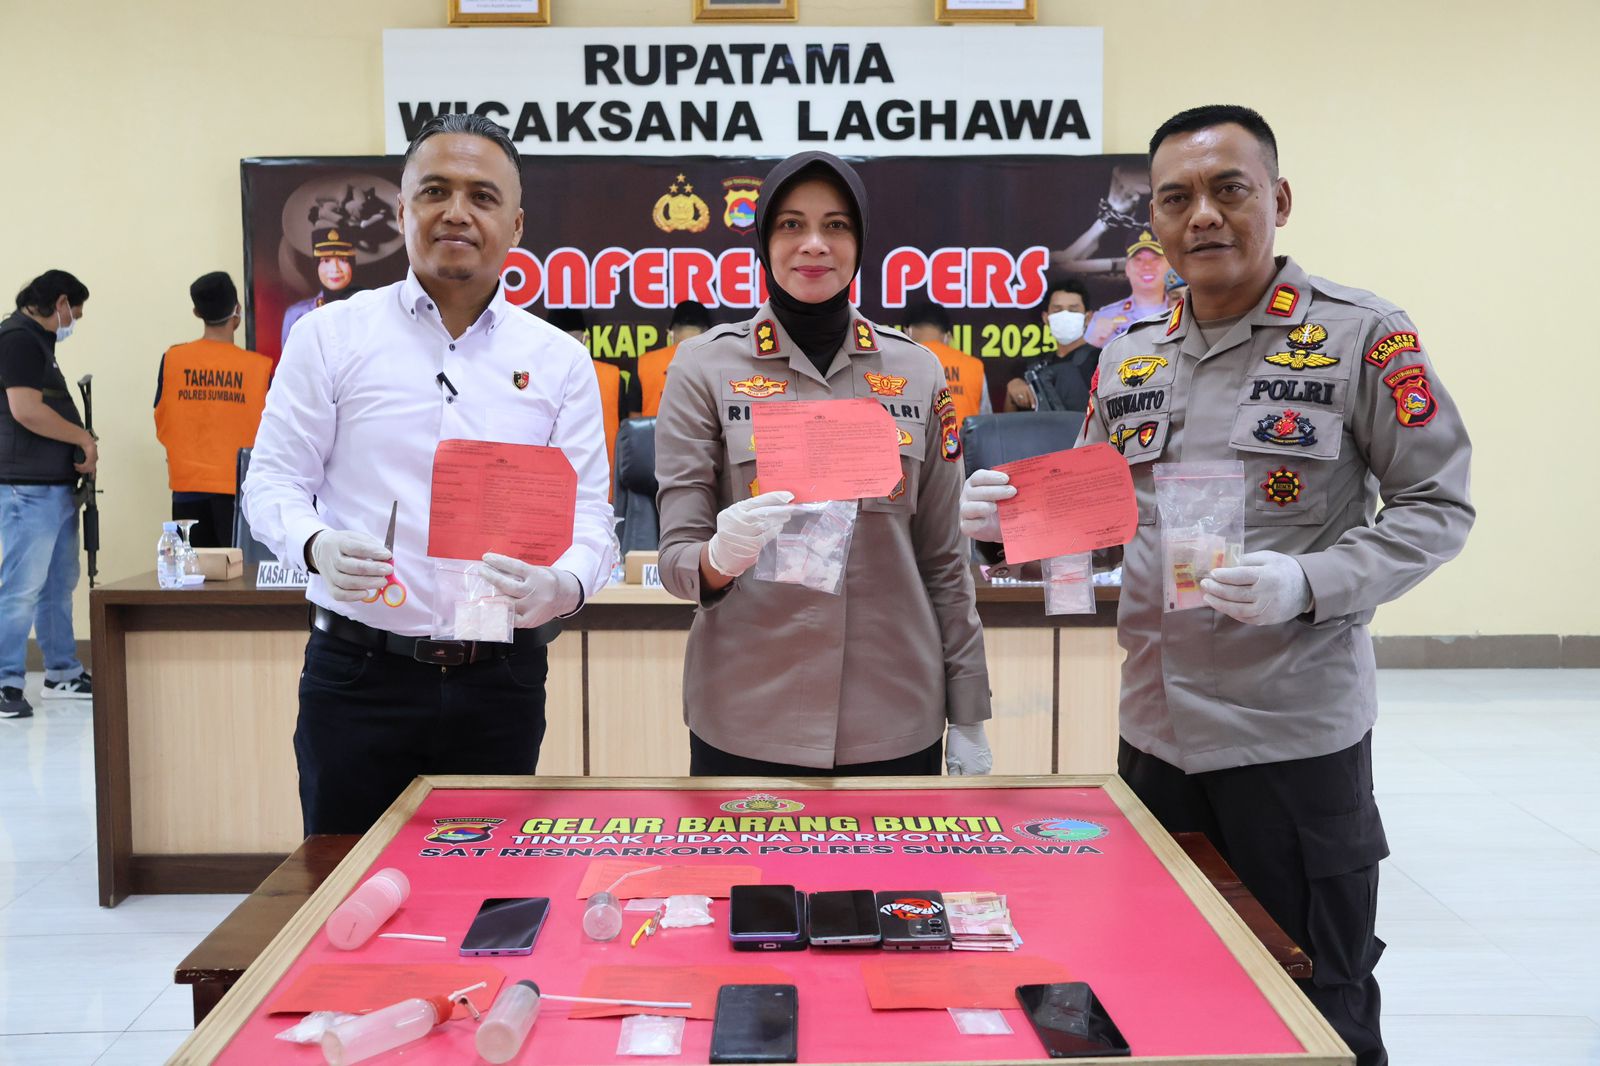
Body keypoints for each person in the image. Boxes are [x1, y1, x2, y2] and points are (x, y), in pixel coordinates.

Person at [961, 105, 1474, 1066]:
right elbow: (1091, 513)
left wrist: (1311, 580)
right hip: (1155, 735)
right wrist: (999, 527)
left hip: (1290, 739)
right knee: (1156, 996)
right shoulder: (1131, 351)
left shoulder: (1362, 337)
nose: (1203, 215)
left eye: (1228, 189)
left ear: (1278, 200)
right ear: (1153, 223)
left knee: (1316, 1006)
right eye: (1176, 198)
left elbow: (1436, 507)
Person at [243, 113, 615, 835]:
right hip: (358, 672)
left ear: (516, 224)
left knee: (488, 890)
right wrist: (315, 544)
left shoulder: (559, 361)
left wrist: (563, 586)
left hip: (501, 678)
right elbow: (273, 483)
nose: (457, 212)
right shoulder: (330, 337)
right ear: (402, 210)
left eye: (483, 196)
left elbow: (591, 519)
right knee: (343, 879)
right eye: (436, 191)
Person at [655, 150, 992, 777]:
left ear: (860, 243)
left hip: (894, 710)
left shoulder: (917, 371)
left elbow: (945, 561)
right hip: (747, 711)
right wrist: (718, 557)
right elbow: (676, 558)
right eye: (792, 224)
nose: (814, 243)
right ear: (764, 241)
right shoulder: (702, 368)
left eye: (836, 225)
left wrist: (969, 709)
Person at [0, 271, 96, 718]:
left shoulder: (37, 342)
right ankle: (6, 682)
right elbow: (25, 410)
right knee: (21, 589)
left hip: (53, 488)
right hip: (27, 490)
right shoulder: (19, 339)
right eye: (74, 312)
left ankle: (61, 672)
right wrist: (83, 438)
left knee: (58, 585)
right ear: (59, 303)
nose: (73, 321)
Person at [153, 272, 272, 547]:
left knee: (192, 570)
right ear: (237, 310)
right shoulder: (259, 368)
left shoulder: (173, 359)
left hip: (186, 491)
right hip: (240, 491)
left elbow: (161, 416)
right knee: (240, 571)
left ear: (197, 312)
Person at [549, 306, 631, 490]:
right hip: (604, 486)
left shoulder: (533, 377)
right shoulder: (612, 376)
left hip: (549, 489)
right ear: (585, 339)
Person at [1005, 277, 1097, 413]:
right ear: (1046, 318)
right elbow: (1011, 422)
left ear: (1087, 317)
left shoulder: (1102, 361)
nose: (1065, 316)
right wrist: (1012, 391)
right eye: (1057, 310)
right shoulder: (1033, 366)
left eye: (1073, 310)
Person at [903, 301, 991, 422]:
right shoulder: (974, 366)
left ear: (907, 331)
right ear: (948, 335)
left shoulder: (896, 364)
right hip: (961, 435)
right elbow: (986, 423)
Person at [1084, 230, 1170, 347]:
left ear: (1169, 266)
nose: (1147, 266)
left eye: (1155, 258)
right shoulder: (1105, 316)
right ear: (1127, 268)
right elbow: (1085, 357)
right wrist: (1093, 340)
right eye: (1138, 259)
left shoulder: (1184, 312)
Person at [280, 226, 358, 344]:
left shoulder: (367, 311)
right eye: (326, 260)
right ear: (316, 266)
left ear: (352, 265)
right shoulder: (296, 315)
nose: (335, 269)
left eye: (343, 260)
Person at [638, 300, 712, 417]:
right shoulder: (721, 363)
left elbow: (633, 423)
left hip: (655, 429)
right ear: (708, 332)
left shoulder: (644, 363)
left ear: (670, 332)